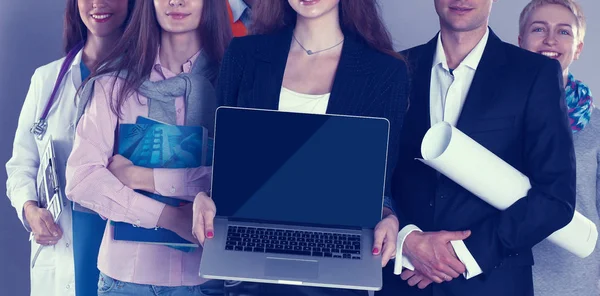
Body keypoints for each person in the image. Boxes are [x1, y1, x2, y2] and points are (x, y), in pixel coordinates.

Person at [192, 0, 409, 295]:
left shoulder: (385, 72)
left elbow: (381, 181)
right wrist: (204, 197)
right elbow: (225, 160)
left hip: (337, 244)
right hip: (250, 248)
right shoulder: (244, 55)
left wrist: (389, 217)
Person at [378, 0, 576, 295]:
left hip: (494, 281)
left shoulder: (535, 74)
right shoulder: (394, 69)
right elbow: (372, 175)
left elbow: (556, 197)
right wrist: (406, 238)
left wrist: (462, 254)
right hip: (404, 278)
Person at [64, 0, 232, 295]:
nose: (176, 1)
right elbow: (82, 179)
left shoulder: (234, 84)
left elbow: (239, 181)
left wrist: (140, 177)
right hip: (125, 280)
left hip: (208, 280)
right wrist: (172, 219)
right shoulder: (112, 82)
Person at [5, 0, 132, 295]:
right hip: (61, 246)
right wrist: (29, 209)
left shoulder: (147, 79)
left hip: (120, 243)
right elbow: (21, 164)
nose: (99, 4)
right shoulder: (46, 80)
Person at [518, 1, 599, 295]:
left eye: (564, 32)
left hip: (573, 280)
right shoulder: (489, 114)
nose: (550, 40)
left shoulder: (599, 126)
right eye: (538, 29)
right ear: (520, 41)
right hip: (497, 272)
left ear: (577, 48)